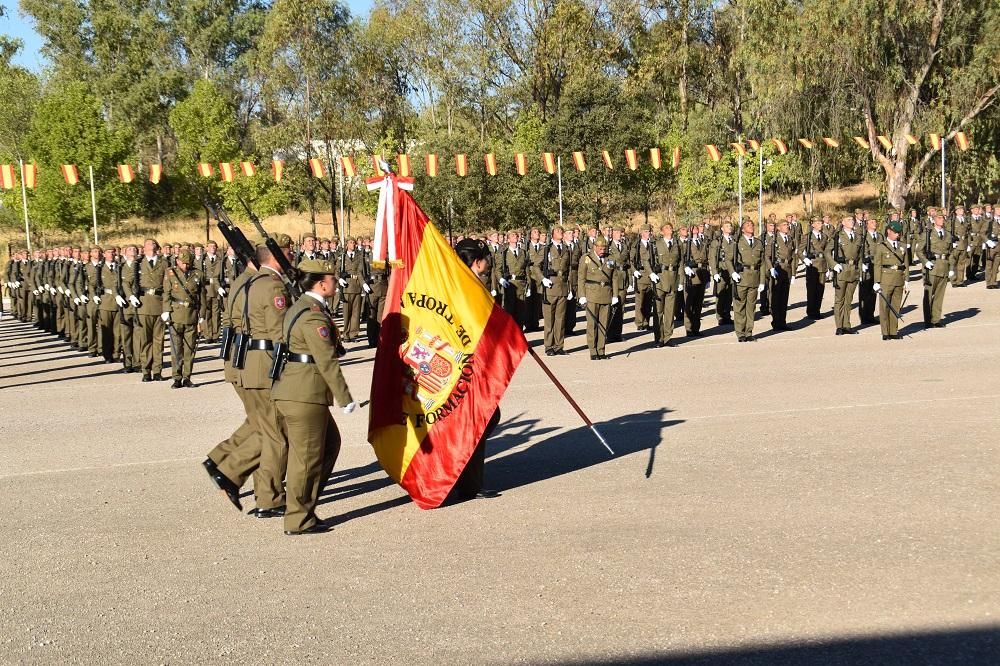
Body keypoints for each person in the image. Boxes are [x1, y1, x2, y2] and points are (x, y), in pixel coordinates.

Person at [271, 258, 357, 535]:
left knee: (330, 445)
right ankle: (298, 518)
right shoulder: (313, 315)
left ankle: (304, 505)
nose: (335, 282)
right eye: (332, 279)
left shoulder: (303, 307)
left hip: (296, 390)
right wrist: (344, 397)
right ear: (321, 284)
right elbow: (326, 361)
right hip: (304, 394)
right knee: (306, 459)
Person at [448, 239, 500, 501]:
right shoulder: (464, 286)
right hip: (465, 364)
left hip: (475, 362)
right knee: (478, 419)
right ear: (476, 261)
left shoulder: (468, 283)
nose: (488, 263)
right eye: (485, 258)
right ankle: (467, 482)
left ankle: (463, 475)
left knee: (483, 418)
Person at [161, 250, 202, 388]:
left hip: (191, 314)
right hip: (176, 314)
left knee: (190, 349)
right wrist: (166, 310)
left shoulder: (197, 274)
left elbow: (201, 296)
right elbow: (166, 293)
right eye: (183, 262)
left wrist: (201, 315)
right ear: (177, 261)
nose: (185, 265)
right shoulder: (170, 273)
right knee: (176, 348)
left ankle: (187, 377)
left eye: (187, 263)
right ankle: (177, 377)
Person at [577, 236, 621, 359]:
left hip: (606, 294)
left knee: (603, 324)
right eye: (600, 248)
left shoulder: (610, 259)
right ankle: (593, 350)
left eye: (604, 248)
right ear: (595, 247)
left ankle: (601, 350)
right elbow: (581, 278)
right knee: (592, 324)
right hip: (591, 294)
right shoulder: (586, 258)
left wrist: (615, 295)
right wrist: (581, 295)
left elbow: (614, 278)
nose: (602, 250)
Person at [534, 226, 572, 356]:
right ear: (552, 234)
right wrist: (542, 279)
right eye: (558, 231)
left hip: (562, 286)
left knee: (560, 319)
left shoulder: (567, 249)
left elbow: (570, 269)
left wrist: (571, 287)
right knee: (549, 319)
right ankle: (549, 346)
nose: (561, 233)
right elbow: (536, 266)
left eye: (562, 231)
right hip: (550, 286)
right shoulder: (546, 249)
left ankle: (558, 346)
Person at [134, 239, 168, 382]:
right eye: (149, 244)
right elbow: (128, 281)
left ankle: (157, 370)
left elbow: (168, 285)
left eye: (154, 244)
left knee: (158, 340)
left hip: (159, 302)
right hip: (144, 303)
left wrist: (167, 308)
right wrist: (131, 296)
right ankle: (146, 370)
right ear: (144, 248)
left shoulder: (164, 263)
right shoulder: (138, 264)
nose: (151, 246)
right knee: (145, 340)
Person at [729, 221, 766, 342]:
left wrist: (762, 281)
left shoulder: (758, 243)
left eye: (752, 224)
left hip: (754, 278)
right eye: (748, 225)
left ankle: (749, 332)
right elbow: (729, 260)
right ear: (743, 230)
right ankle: (740, 333)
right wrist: (733, 272)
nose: (751, 226)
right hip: (741, 277)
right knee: (739, 307)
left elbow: (762, 263)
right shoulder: (737, 243)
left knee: (751, 307)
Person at [873, 221, 910, 340]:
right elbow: (877, 265)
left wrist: (906, 280)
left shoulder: (902, 246)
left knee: (895, 306)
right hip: (886, 279)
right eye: (895, 232)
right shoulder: (881, 246)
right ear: (888, 231)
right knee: (884, 306)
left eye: (898, 233)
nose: (897, 234)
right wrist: (876, 282)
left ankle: (894, 331)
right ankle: (885, 332)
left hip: (899, 278)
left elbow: (906, 264)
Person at [917, 213, 955, 328]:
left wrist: (951, 268)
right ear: (933, 220)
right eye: (939, 218)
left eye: (942, 218)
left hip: (944, 266)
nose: (941, 220)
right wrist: (925, 262)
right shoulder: (928, 234)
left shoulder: (948, 235)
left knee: (939, 295)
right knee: (928, 294)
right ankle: (928, 320)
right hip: (932, 267)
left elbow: (951, 253)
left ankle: (936, 319)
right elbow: (919, 251)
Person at [825, 217, 863, 335]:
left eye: (852, 220)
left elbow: (860, 255)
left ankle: (847, 325)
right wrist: (833, 265)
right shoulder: (837, 236)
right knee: (839, 300)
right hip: (842, 269)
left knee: (848, 300)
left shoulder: (858, 236)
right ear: (843, 223)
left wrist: (861, 271)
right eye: (848, 220)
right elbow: (827, 252)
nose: (851, 222)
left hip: (854, 270)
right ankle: (839, 326)